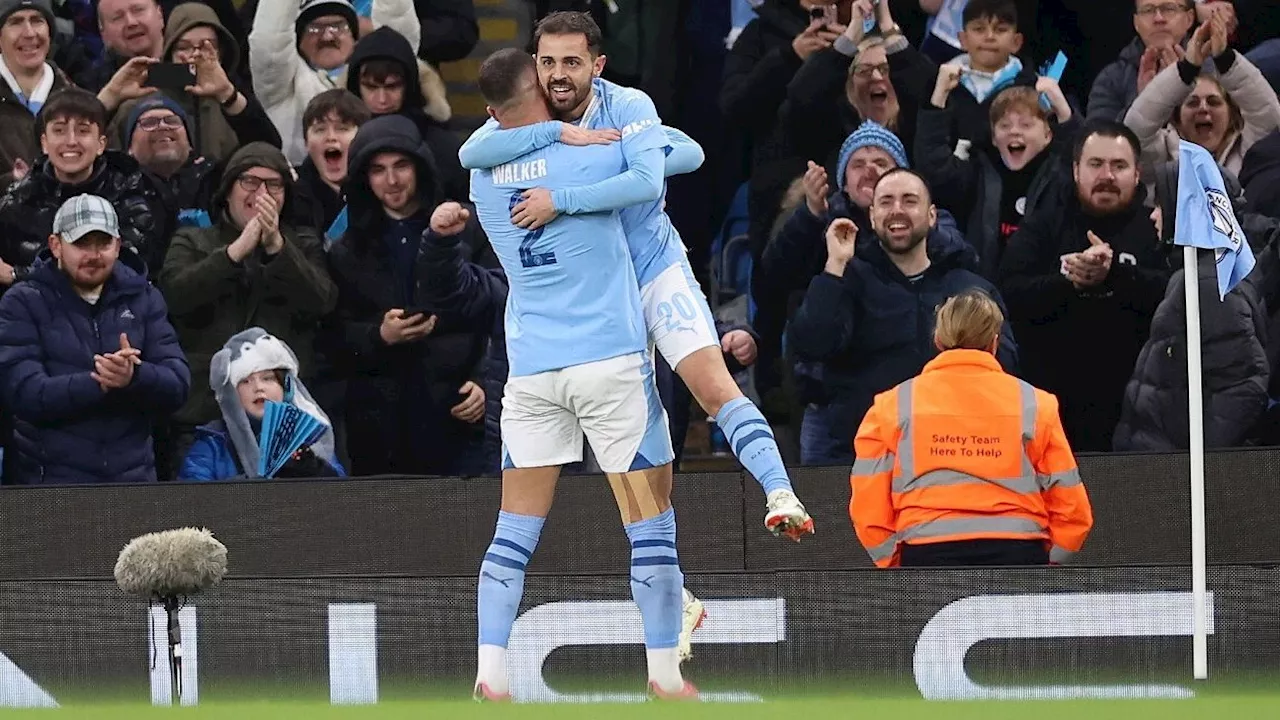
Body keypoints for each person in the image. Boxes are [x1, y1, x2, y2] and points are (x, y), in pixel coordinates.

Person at [458, 10, 812, 541]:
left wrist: (568, 196)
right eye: (548, 61)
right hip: (597, 297)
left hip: (651, 271)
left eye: (572, 62)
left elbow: (684, 157)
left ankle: (780, 492)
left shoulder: (624, 106)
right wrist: (562, 137)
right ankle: (673, 585)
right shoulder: (520, 119)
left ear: (596, 65)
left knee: (711, 386)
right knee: (627, 457)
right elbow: (469, 152)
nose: (559, 74)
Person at [466, 47, 695, 701]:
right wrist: (626, 133)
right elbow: (684, 157)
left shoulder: (482, 176)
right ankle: (663, 676)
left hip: (533, 372)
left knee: (513, 531)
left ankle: (490, 672)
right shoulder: (596, 153)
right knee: (651, 528)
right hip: (610, 365)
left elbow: (480, 146)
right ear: (541, 83)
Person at [787, 168, 1018, 465]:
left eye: (909, 201)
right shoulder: (847, 279)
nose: (897, 210)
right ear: (871, 216)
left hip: (953, 454)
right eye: (886, 202)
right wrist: (835, 266)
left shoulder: (968, 287)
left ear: (932, 215)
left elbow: (1006, 367)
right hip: (864, 455)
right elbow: (812, 344)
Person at [850, 289, 1093, 567]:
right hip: (1019, 554)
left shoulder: (891, 405)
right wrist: (1052, 559)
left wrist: (892, 561)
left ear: (939, 340)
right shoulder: (1036, 404)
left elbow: (868, 502)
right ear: (994, 342)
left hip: (925, 553)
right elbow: (1070, 501)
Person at [327, 115, 494, 476]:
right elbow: (331, 339)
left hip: (460, 417)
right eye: (378, 169)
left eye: (401, 165)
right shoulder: (346, 251)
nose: (392, 180)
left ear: (419, 167)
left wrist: (485, 383)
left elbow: (501, 314)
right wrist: (378, 335)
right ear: (363, 178)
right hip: (382, 432)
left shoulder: (465, 229)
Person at [159, 142, 337, 472]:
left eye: (273, 185)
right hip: (203, 416)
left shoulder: (303, 245)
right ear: (227, 191)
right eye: (250, 182)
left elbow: (322, 301)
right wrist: (234, 253)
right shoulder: (192, 240)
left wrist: (276, 249)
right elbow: (174, 295)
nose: (262, 193)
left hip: (282, 419)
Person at [0, 194, 190, 485]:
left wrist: (135, 376)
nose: (93, 254)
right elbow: (23, 392)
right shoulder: (22, 302)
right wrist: (99, 381)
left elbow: (178, 385)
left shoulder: (145, 298)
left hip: (133, 482)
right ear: (56, 246)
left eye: (103, 243)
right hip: (49, 487)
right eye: (81, 243)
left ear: (117, 245)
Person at [248, 0, 421, 165]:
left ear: (355, 38)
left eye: (339, 27)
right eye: (314, 29)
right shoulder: (283, 87)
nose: (328, 35)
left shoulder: (373, 81)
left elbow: (397, 32)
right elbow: (269, 42)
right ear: (297, 41)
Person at [1123, 10, 1280, 179]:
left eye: (1214, 102)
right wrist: (1186, 69)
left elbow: (1267, 115)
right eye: (1192, 103)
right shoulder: (1163, 158)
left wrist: (1226, 60)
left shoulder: (1250, 152)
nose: (1203, 108)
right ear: (1178, 119)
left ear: (1231, 115)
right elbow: (1135, 129)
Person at [180, 328, 345, 481]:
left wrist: (316, 470)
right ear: (232, 395)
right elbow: (193, 504)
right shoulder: (212, 445)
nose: (258, 387)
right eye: (245, 381)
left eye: (268, 378)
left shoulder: (310, 438)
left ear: (286, 386)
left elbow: (344, 497)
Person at [0, 0, 71, 187]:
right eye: (15, 22)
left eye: (37, 20)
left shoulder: (76, 100)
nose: (30, 33)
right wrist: (11, 183)